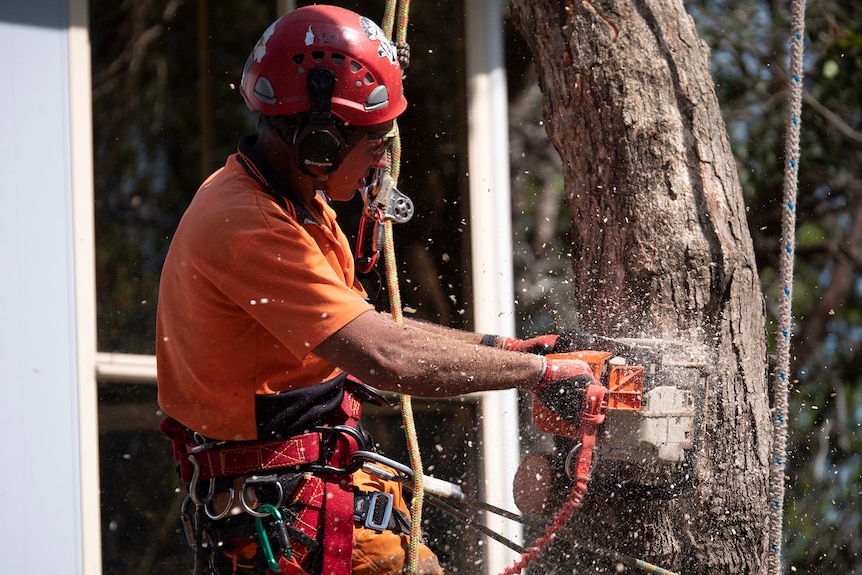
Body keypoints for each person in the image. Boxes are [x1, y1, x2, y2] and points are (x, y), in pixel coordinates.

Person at [156, 5, 595, 575]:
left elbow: (369, 326)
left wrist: (505, 351)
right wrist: (540, 376)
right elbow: (384, 355)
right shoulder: (250, 225)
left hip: (300, 492)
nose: (385, 159)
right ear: (320, 142)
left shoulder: (295, 205)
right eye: (376, 142)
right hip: (280, 512)